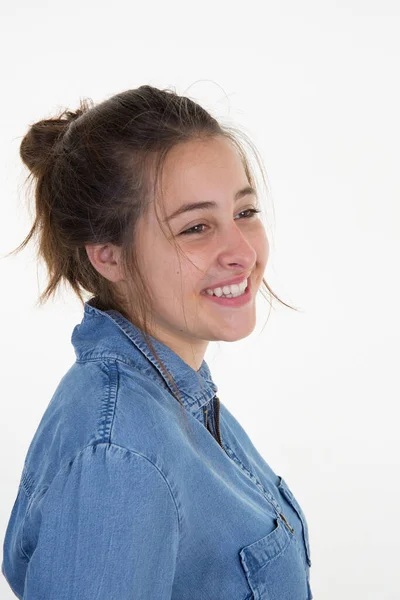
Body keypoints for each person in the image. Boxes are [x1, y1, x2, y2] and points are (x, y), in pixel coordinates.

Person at [1, 85, 313, 599]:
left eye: (244, 212)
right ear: (110, 256)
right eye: (195, 227)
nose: (241, 251)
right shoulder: (118, 457)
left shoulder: (176, 395)